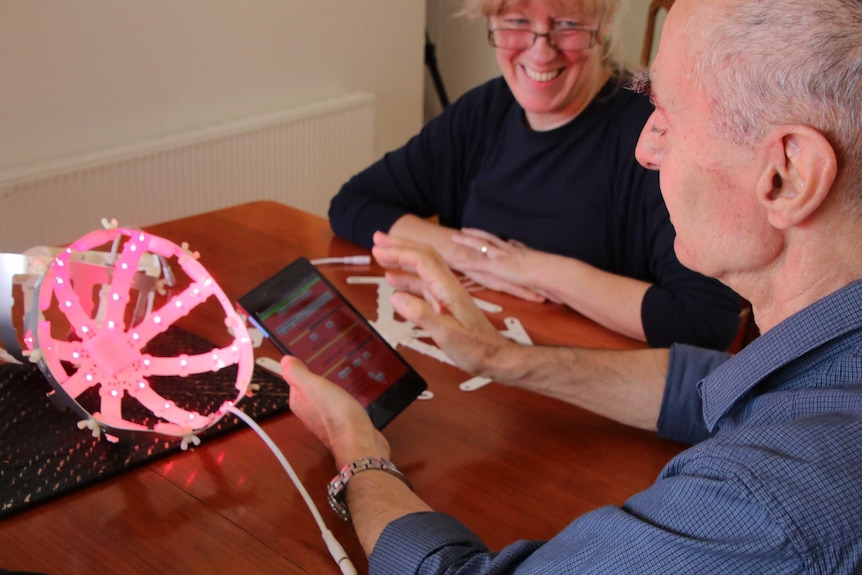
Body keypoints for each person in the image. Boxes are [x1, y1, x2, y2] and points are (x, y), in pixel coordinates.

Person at [282, 0, 862, 572]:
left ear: (788, 175)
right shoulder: (819, 373)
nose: (646, 147)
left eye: (669, 114)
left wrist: (354, 445)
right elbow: (705, 390)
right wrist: (501, 356)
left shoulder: (759, 507)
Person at [328, 0, 742, 349]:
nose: (540, 52)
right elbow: (353, 204)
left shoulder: (653, 138)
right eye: (518, 23)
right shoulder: (482, 112)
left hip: (596, 390)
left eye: (566, 25)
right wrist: (471, 256)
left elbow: (704, 324)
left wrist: (537, 270)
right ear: (491, 22)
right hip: (482, 359)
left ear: (603, 27)